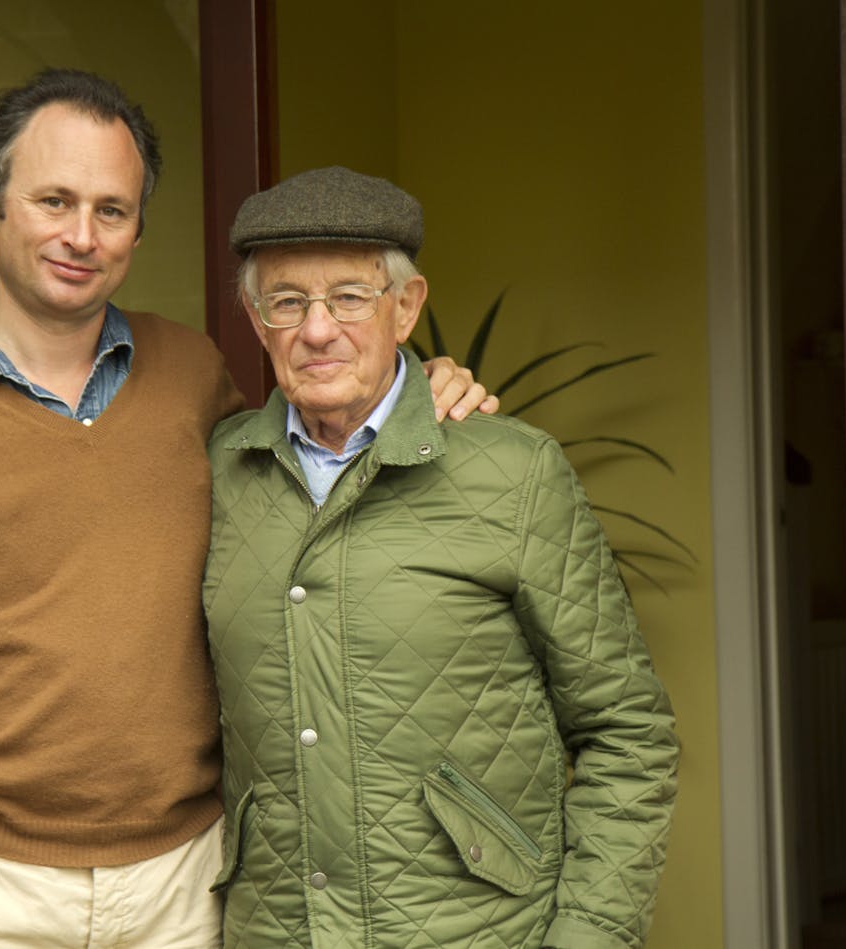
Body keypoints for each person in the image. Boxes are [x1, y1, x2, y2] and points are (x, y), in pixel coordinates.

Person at [0, 70, 493, 948]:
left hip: (187, 880)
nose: (80, 235)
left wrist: (420, 387)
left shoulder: (192, 375)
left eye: (112, 209)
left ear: (139, 225)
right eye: (53, 199)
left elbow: (303, 519)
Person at [198, 167, 679, 947]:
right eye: (288, 301)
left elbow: (627, 732)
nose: (318, 330)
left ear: (406, 306)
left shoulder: (514, 472)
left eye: (350, 297)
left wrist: (588, 937)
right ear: (257, 320)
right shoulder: (220, 472)